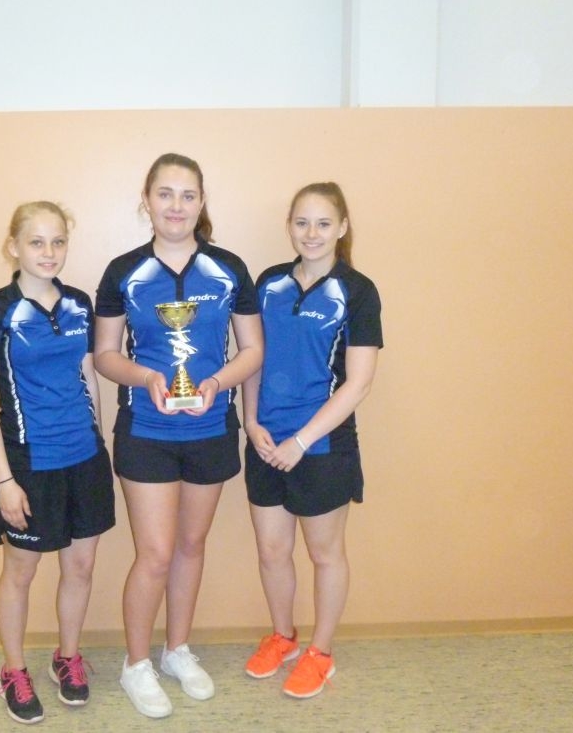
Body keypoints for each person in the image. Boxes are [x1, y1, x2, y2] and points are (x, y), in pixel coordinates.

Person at [94, 153, 263, 718]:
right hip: (146, 430)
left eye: (188, 195)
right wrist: (146, 378)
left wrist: (215, 383)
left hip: (211, 427)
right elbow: (105, 355)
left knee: (192, 546)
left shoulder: (229, 268)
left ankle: (176, 650)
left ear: (201, 201)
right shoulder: (123, 271)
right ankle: (136, 663)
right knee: (156, 554)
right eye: (165, 194)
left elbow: (252, 350)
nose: (176, 206)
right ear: (147, 200)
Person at [0, 201, 115, 725]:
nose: (49, 252)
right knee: (21, 572)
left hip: (84, 458)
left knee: (80, 566)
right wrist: (4, 480)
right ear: (14, 247)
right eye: (36, 242)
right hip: (28, 464)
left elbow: (87, 375)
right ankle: (13, 669)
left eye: (58, 242)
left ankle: (67, 657)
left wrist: (99, 443)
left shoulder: (79, 304)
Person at [241, 182, 382, 699]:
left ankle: (321, 652)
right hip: (265, 441)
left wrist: (301, 441)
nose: (312, 233)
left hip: (322, 446)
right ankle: (284, 637)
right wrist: (250, 421)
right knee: (272, 550)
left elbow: (358, 383)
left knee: (325, 554)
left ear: (342, 227)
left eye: (324, 223)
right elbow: (253, 358)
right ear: (289, 226)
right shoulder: (269, 283)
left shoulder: (358, 291)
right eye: (302, 222)